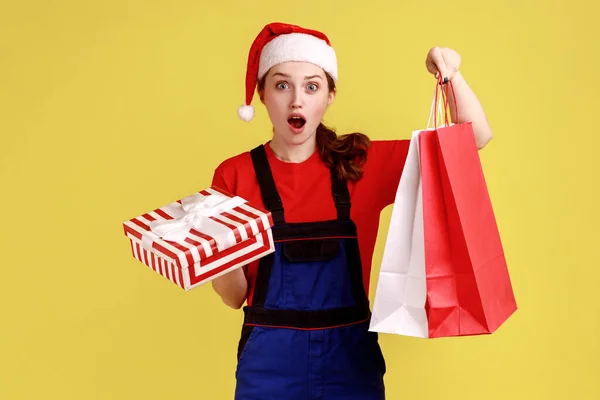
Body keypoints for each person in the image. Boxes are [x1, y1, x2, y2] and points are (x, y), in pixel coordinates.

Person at [210, 22, 493, 400]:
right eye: (282, 85)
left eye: (312, 86)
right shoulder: (233, 175)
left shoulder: (360, 164)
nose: (297, 100)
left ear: (329, 96)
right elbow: (233, 297)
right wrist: (215, 254)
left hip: (350, 363)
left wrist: (451, 75)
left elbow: (474, 138)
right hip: (268, 368)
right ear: (262, 94)